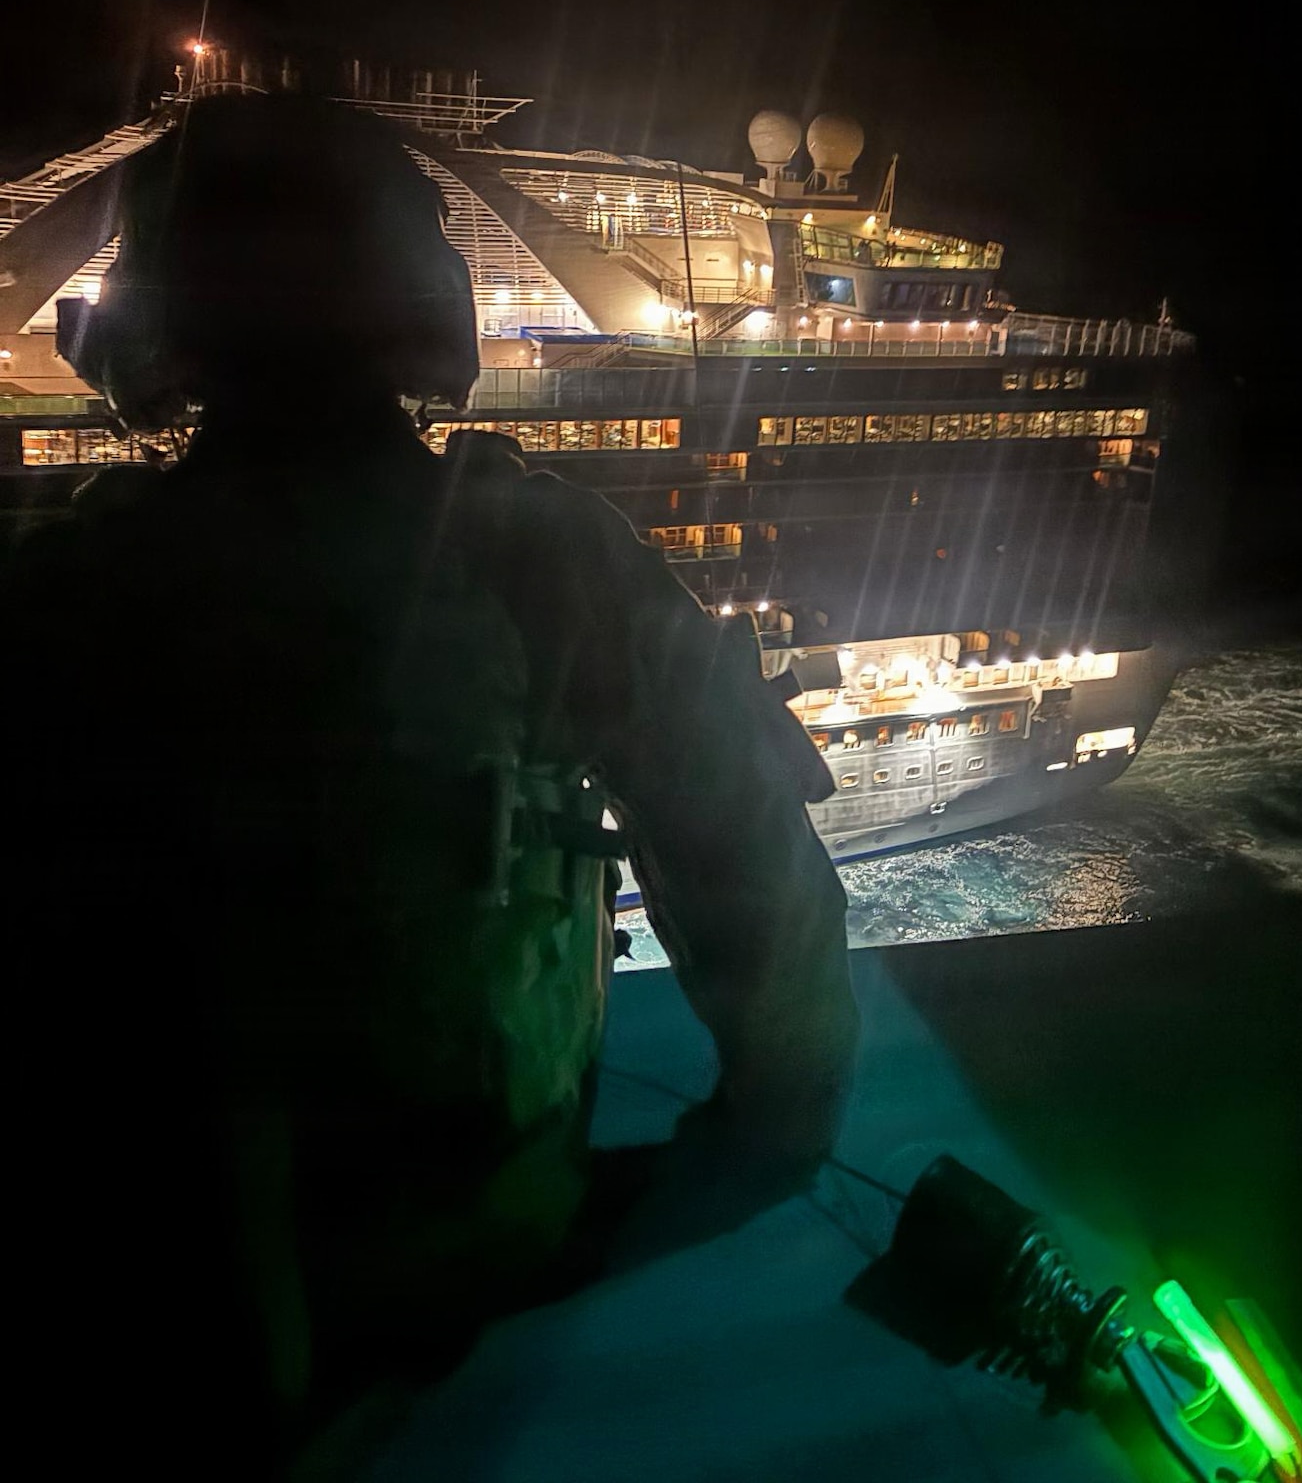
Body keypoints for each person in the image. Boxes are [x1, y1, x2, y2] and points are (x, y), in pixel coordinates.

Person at [2, 92, 856, 1474]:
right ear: (426, 303)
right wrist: (765, 1136)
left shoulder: (59, 594)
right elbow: (747, 856)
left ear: (142, 325)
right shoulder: (540, 559)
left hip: (140, 1267)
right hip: (469, 1232)